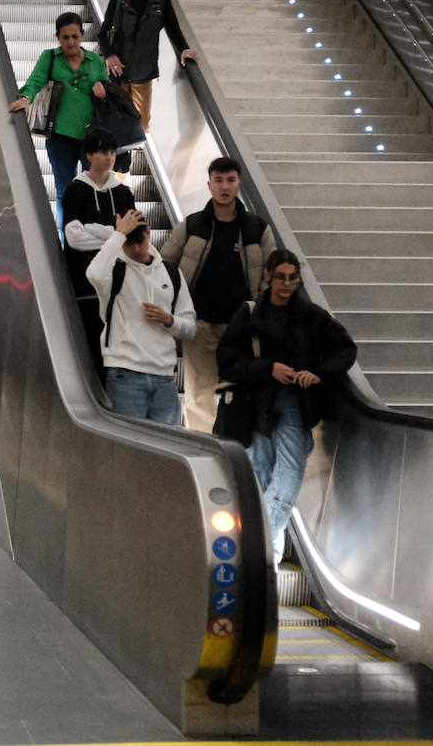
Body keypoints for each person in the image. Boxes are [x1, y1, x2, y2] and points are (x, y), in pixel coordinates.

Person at [217, 249, 357, 563]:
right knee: (261, 477)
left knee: (290, 476)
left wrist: (317, 374)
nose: (286, 283)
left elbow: (345, 350)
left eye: (292, 278)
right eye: (280, 277)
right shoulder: (250, 313)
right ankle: (271, 559)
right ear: (268, 276)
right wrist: (268, 368)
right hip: (256, 407)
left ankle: (256, 548)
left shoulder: (313, 316)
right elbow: (227, 362)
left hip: (295, 403)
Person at [160, 157, 276, 430]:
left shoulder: (256, 229)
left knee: (242, 392)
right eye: (219, 180)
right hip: (199, 324)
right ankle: (204, 452)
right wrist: (174, 305)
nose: (224, 186)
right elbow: (163, 266)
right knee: (199, 393)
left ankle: (236, 452)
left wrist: (259, 307)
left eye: (230, 180)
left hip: (243, 328)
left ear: (238, 183)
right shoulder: (192, 226)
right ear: (209, 184)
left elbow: (273, 274)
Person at [86, 209, 195, 425]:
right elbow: (94, 274)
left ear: (149, 232)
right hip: (125, 375)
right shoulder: (114, 271)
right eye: (129, 243)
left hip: (164, 377)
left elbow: (190, 328)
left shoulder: (171, 273)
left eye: (140, 241)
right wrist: (118, 235)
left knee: (169, 451)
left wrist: (169, 320)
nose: (136, 249)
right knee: (129, 453)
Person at [8, 11, 110, 227]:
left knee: (94, 188)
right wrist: (26, 98)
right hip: (60, 136)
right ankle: (68, 238)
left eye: (75, 36)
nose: (71, 42)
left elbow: (109, 94)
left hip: (91, 137)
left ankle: (91, 236)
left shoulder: (96, 62)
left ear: (82, 35)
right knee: (65, 189)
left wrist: (104, 94)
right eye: (66, 37)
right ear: (58, 37)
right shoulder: (51, 57)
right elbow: (35, 81)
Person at [99, 0, 199, 134]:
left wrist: (183, 49)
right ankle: (121, 161)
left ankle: (126, 155)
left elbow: (173, 28)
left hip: (143, 71)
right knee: (115, 122)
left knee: (141, 125)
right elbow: (103, 33)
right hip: (116, 70)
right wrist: (109, 55)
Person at [61, 130, 135, 373]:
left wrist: (94, 229)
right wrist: (115, 232)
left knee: (119, 345)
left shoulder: (124, 193)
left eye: (113, 152)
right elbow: (73, 238)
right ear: (90, 155)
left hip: (118, 283)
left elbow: (132, 237)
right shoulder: (75, 191)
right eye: (104, 152)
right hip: (83, 283)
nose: (110, 157)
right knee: (89, 342)